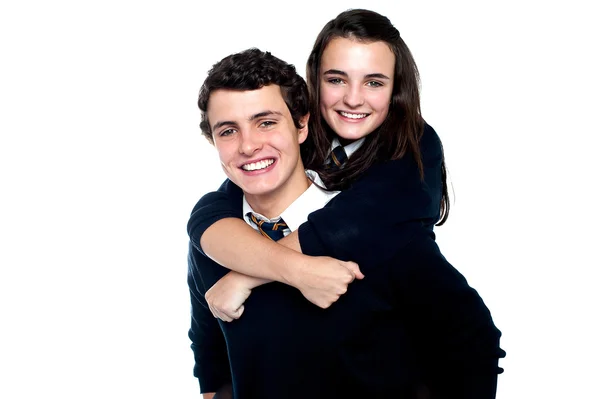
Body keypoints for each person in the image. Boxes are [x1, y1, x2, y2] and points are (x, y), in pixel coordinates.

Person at [189, 47, 503, 398]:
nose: (248, 145)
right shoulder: (215, 239)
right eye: (228, 131)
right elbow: (211, 358)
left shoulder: (376, 228)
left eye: (266, 122)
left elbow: (472, 339)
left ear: (302, 124)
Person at [188, 8, 452, 319]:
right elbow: (221, 207)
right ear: (315, 79)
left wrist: (246, 276)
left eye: (374, 83)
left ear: (397, 89)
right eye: (336, 79)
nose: (353, 99)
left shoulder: (413, 145)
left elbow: (352, 222)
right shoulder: (296, 130)